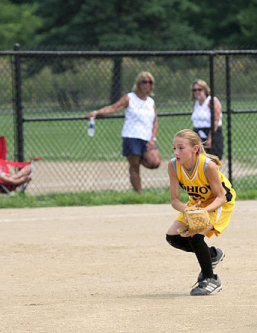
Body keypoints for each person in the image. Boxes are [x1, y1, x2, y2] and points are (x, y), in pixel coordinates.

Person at [166, 129, 235, 296]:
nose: (176, 152)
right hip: (197, 204)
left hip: (218, 204)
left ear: (195, 149)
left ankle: (210, 280)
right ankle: (212, 255)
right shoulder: (174, 165)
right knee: (173, 237)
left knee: (196, 237)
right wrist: (188, 210)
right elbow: (175, 200)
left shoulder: (207, 166)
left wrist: (203, 211)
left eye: (181, 148)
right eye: (174, 148)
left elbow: (221, 197)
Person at [85, 71, 161, 193]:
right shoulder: (129, 98)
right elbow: (114, 107)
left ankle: (138, 157)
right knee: (134, 166)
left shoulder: (151, 102)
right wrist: (97, 112)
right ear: (138, 84)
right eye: (144, 82)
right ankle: (139, 194)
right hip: (131, 136)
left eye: (149, 82)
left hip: (147, 138)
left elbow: (155, 122)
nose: (147, 84)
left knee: (155, 162)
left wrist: (153, 138)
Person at [190, 79, 224, 160]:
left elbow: (216, 120)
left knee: (212, 160)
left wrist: (210, 138)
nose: (197, 92)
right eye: (194, 90)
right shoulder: (196, 103)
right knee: (198, 159)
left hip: (212, 132)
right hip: (198, 132)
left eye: (199, 89)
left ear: (205, 90)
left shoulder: (212, 101)